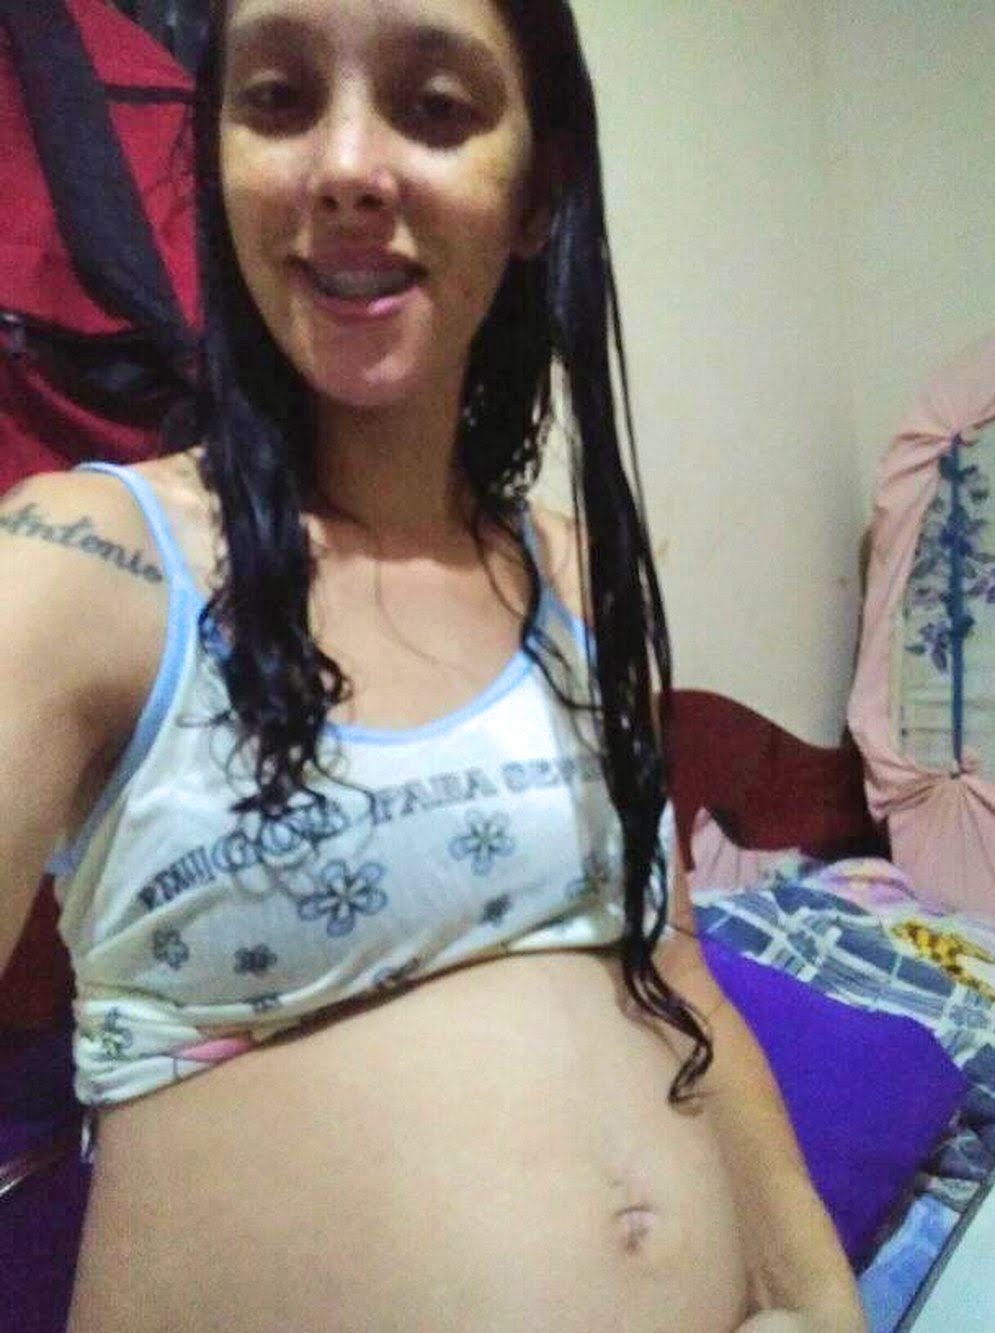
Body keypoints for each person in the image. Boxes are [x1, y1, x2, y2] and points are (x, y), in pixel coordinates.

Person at [0, 0, 866, 1328]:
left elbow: (677, 968)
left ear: (537, 194)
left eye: (435, 106)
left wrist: (819, 1303)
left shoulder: (578, 575)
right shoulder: (81, 568)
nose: (348, 166)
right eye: (278, 100)